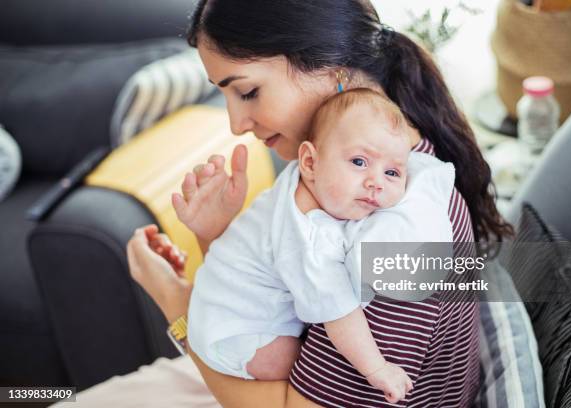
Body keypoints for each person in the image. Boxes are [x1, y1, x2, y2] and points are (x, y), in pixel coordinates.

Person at [70, 0, 514, 407]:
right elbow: (291, 314)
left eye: (246, 92)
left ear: (330, 67)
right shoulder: (358, 167)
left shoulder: (392, 227)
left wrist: (177, 305)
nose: (236, 123)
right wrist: (219, 241)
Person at [166, 88, 457, 404]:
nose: (377, 182)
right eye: (359, 161)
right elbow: (338, 310)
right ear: (309, 161)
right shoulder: (309, 234)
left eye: (392, 172)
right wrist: (377, 368)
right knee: (294, 362)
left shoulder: (313, 184)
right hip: (239, 335)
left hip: (217, 301)